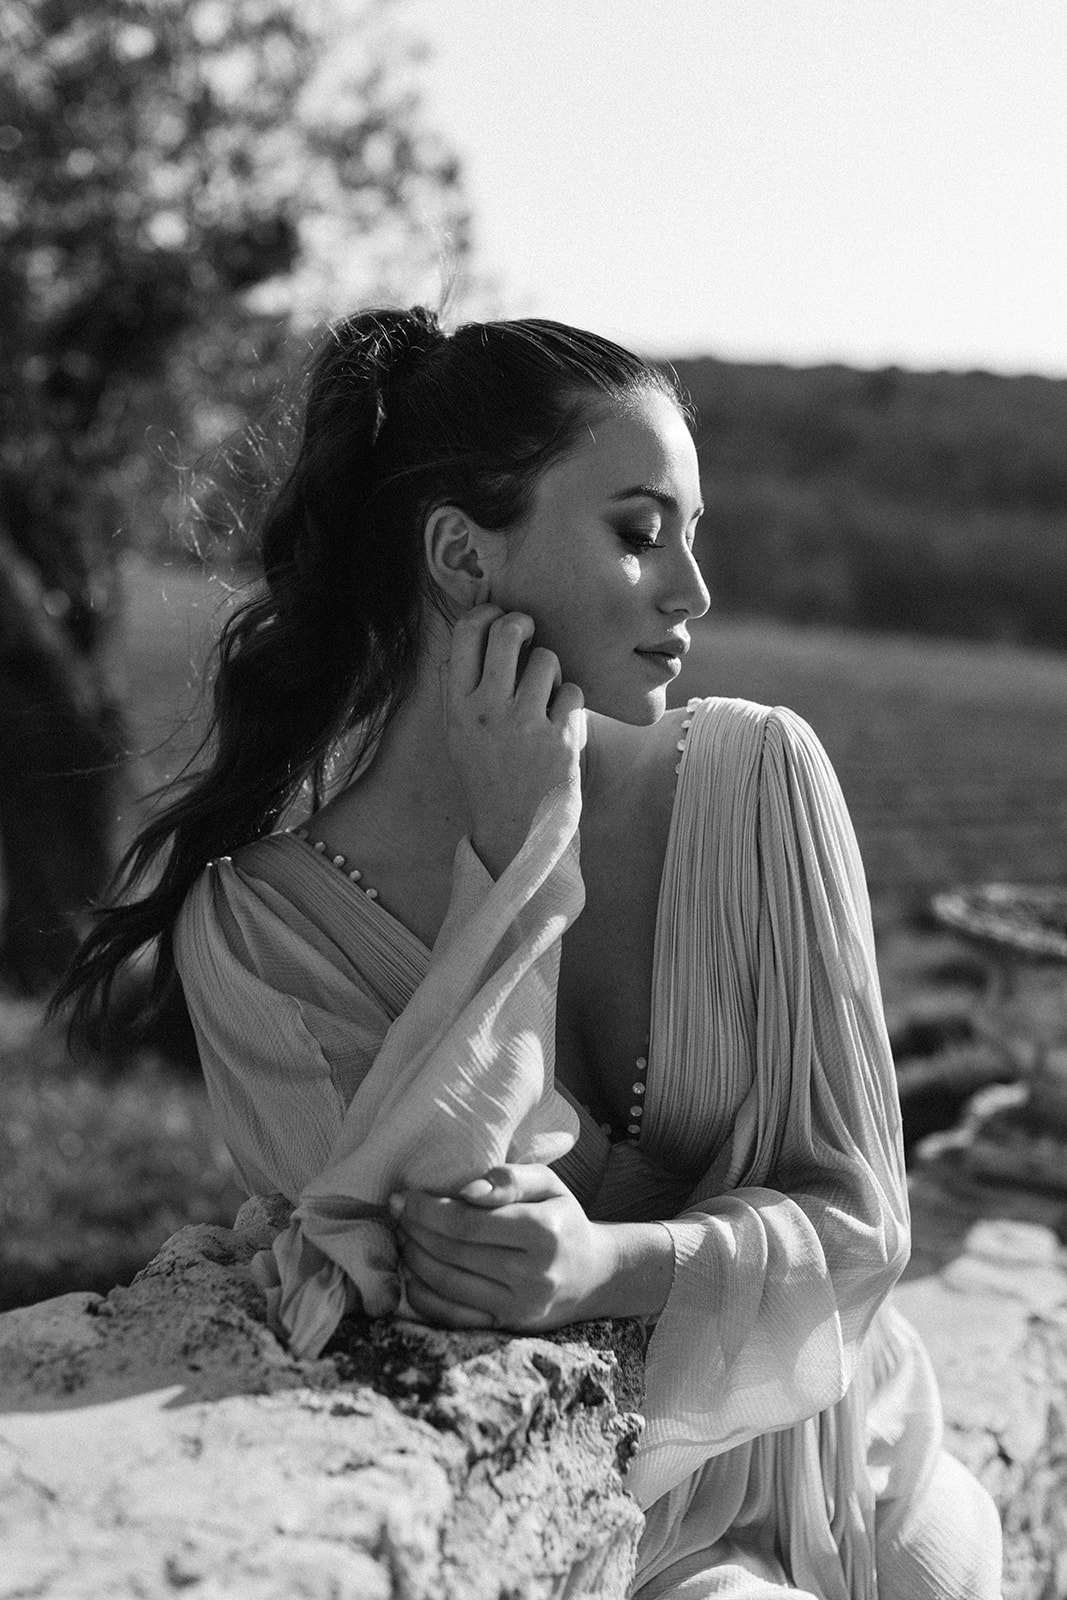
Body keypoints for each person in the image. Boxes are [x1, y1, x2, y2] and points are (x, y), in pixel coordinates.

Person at [58, 307, 1003, 1598]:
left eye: (692, 534)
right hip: (615, 1531)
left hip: (860, 1491)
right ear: (461, 555)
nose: (694, 591)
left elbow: (859, 1223)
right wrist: (513, 862)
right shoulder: (258, 934)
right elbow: (439, 1260)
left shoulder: (753, 777)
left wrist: (606, 1266)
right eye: (638, 532)